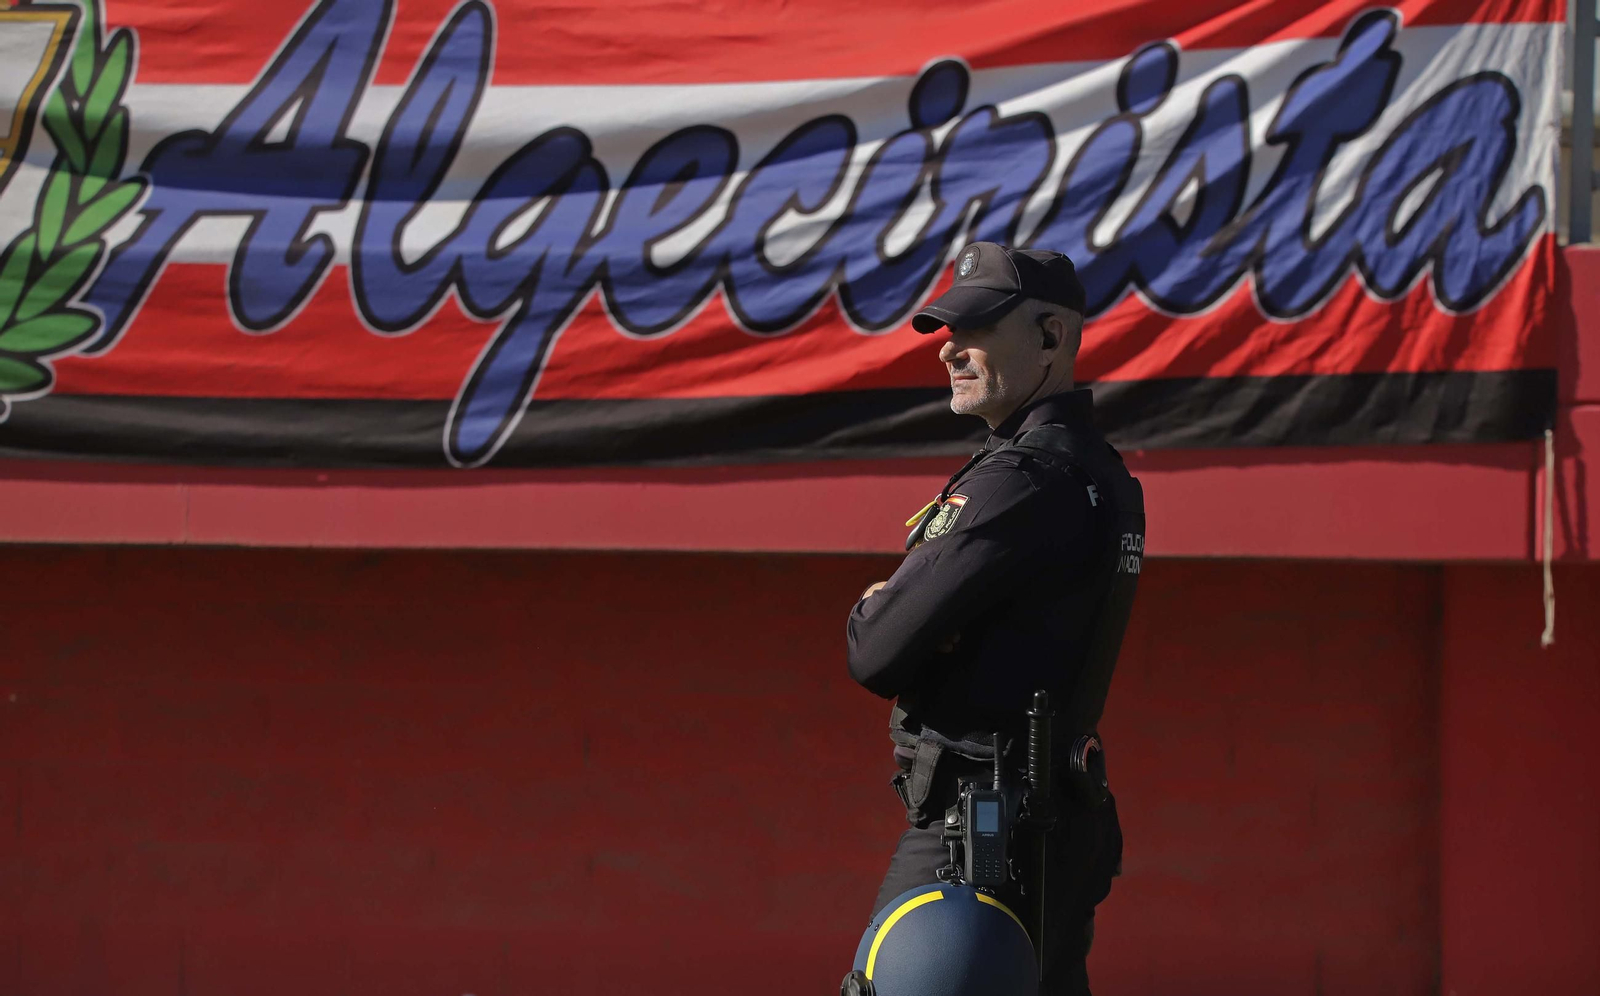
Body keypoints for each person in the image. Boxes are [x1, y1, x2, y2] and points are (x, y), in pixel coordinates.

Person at [846, 242, 1146, 996]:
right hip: (1053, 817)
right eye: (949, 331)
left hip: (981, 831)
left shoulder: (1021, 478)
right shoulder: (1102, 470)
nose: (949, 350)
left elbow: (875, 651)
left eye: (976, 329)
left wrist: (877, 604)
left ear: (1052, 335)